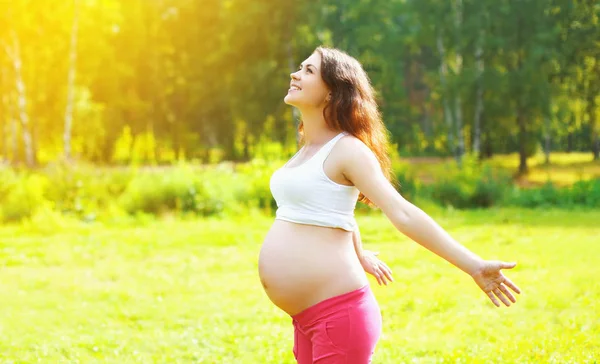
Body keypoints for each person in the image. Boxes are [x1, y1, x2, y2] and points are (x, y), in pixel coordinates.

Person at [257, 46, 521, 364]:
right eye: (300, 67)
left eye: (309, 70)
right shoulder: (309, 149)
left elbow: (402, 211)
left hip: (337, 316)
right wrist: (358, 253)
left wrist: (473, 265)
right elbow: (337, 210)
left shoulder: (348, 151)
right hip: (308, 318)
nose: (295, 74)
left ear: (332, 92)